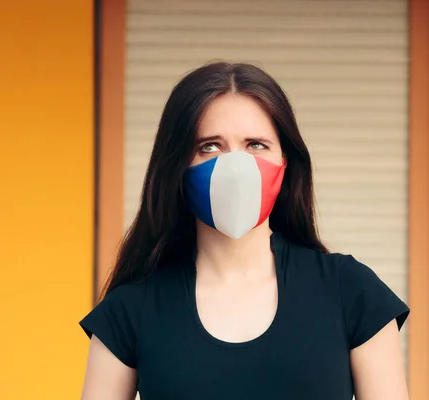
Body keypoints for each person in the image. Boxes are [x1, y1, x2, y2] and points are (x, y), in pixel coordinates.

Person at [80, 62, 410, 400]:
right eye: (209, 146)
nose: (235, 167)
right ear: (176, 167)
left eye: (256, 145)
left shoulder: (351, 291)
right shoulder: (131, 308)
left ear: (286, 164)